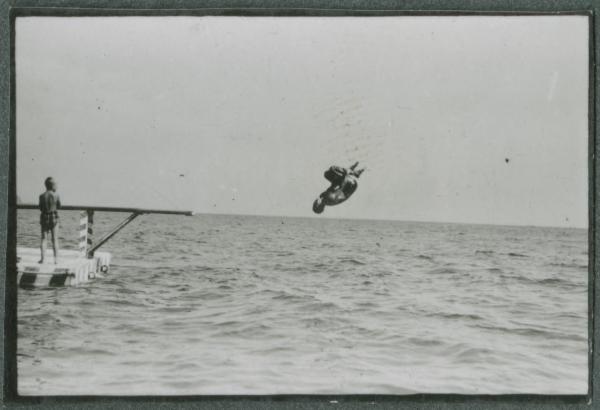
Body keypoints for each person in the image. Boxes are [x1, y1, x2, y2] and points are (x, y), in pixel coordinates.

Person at [38, 177, 61, 264]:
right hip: (54, 216)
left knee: (44, 239)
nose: (57, 186)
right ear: (52, 186)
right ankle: (56, 260)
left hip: (44, 216)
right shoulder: (56, 195)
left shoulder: (41, 196)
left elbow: (40, 207)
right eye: (56, 185)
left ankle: (43, 259)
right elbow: (59, 206)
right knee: (55, 239)